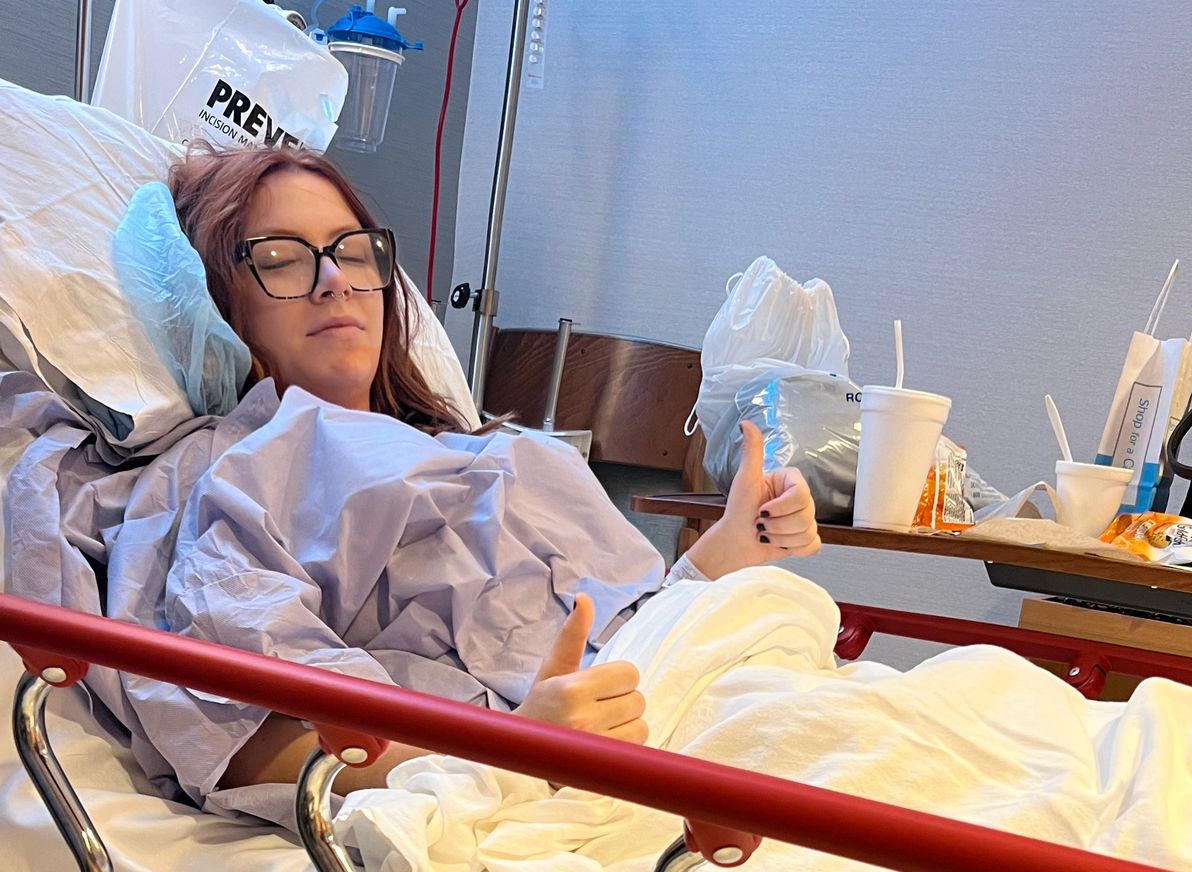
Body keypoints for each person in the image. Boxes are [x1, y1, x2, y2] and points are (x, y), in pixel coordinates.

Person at [167, 144, 821, 798]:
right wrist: (512, 752)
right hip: (592, 771)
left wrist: (725, 554)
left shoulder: (487, 449)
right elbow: (239, 741)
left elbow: (627, 632)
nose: (334, 279)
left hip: (697, 697)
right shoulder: (234, 475)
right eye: (281, 259)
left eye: (354, 252)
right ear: (219, 304)